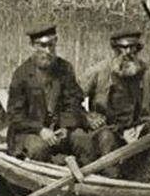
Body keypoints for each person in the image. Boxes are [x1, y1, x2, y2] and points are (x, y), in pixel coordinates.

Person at [81, 30, 150, 179]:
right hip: (107, 129)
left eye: (132, 48)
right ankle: (111, 182)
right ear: (115, 49)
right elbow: (71, 100)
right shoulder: (98, 72)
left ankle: (149, 179)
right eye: (123, 48)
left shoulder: (149, 73)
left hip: (139, 130)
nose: (128, 53)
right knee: (106, 139)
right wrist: (87, 116)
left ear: (138, 49)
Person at [6, 25, 95, 166]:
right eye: (43, 46)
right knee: (39, 149)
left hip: (60, 130)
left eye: (51, 45)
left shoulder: (65, 68)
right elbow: (15, 115)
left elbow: (73, 102)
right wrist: (40, 130)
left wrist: (66, 127)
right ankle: (59, 163)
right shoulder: (21, 74)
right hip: (30, 133)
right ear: (32, 46)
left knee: (84, 141)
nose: (48, 51)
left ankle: (88, 176)